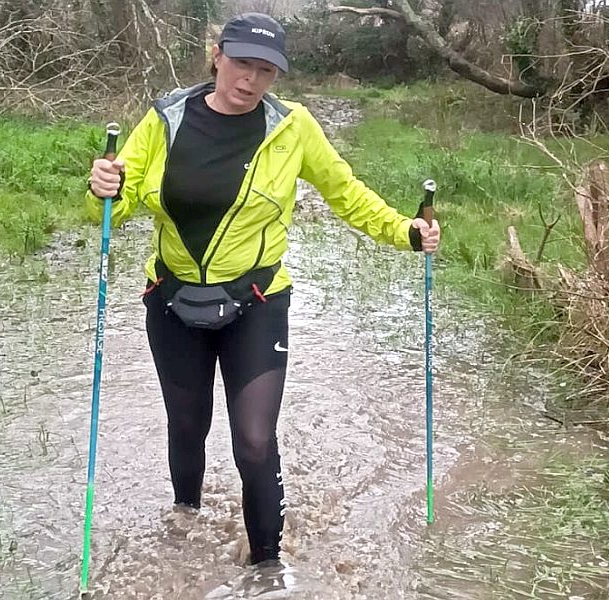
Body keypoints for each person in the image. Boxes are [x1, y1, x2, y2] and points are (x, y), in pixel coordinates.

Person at [86, 12, 440, 567]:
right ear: (216, 56)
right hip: (172, 299)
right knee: (187, 424)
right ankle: (184, 530)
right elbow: (113, 206)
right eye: (242, 64)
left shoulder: (291, 127)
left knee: (253, 440)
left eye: (266, 71)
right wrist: (103, 188)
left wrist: (405, 231)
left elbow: (345, 192)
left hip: (257, 302)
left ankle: (268, 568)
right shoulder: (165, 119)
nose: (250, 80)